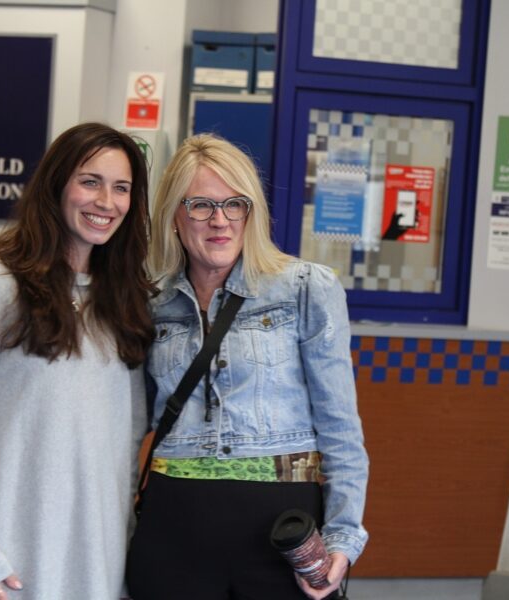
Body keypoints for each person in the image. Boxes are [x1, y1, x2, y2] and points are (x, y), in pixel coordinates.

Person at [126, 134, 368, 600]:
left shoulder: (305, 289)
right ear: (174, 215)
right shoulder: (147, 303)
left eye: (234, 204)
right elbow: (128, 431)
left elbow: (341, 428)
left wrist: (342, 536)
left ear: (251, 212)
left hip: (280, 533)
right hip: (172, 531)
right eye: (200, 205)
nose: (220, 221)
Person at [0, 123, 155, 600]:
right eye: (90, 181)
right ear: (56, 184)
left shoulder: (126, 299)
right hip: (4, 546)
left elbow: (126, 442)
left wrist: (124, 541)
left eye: (121, 187)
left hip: (93, 549)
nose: (106, 202)